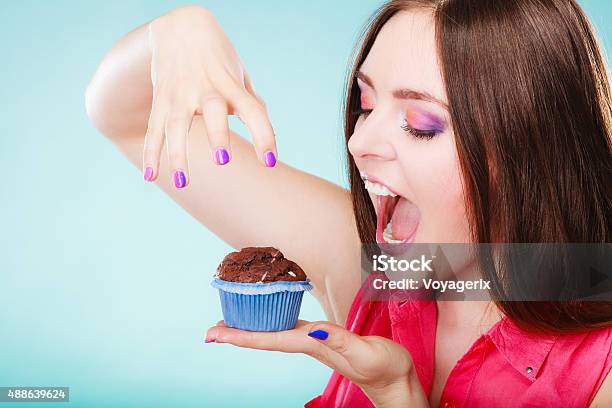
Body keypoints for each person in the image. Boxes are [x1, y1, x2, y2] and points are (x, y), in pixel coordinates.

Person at [85, 1, 612, 406]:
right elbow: (122, 114)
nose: (359, 142)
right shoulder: (365, 263)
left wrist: (399, 392)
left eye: (421, 124)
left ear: (531, 150)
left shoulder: (602, 368)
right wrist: (178, 31)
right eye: (366, 103)